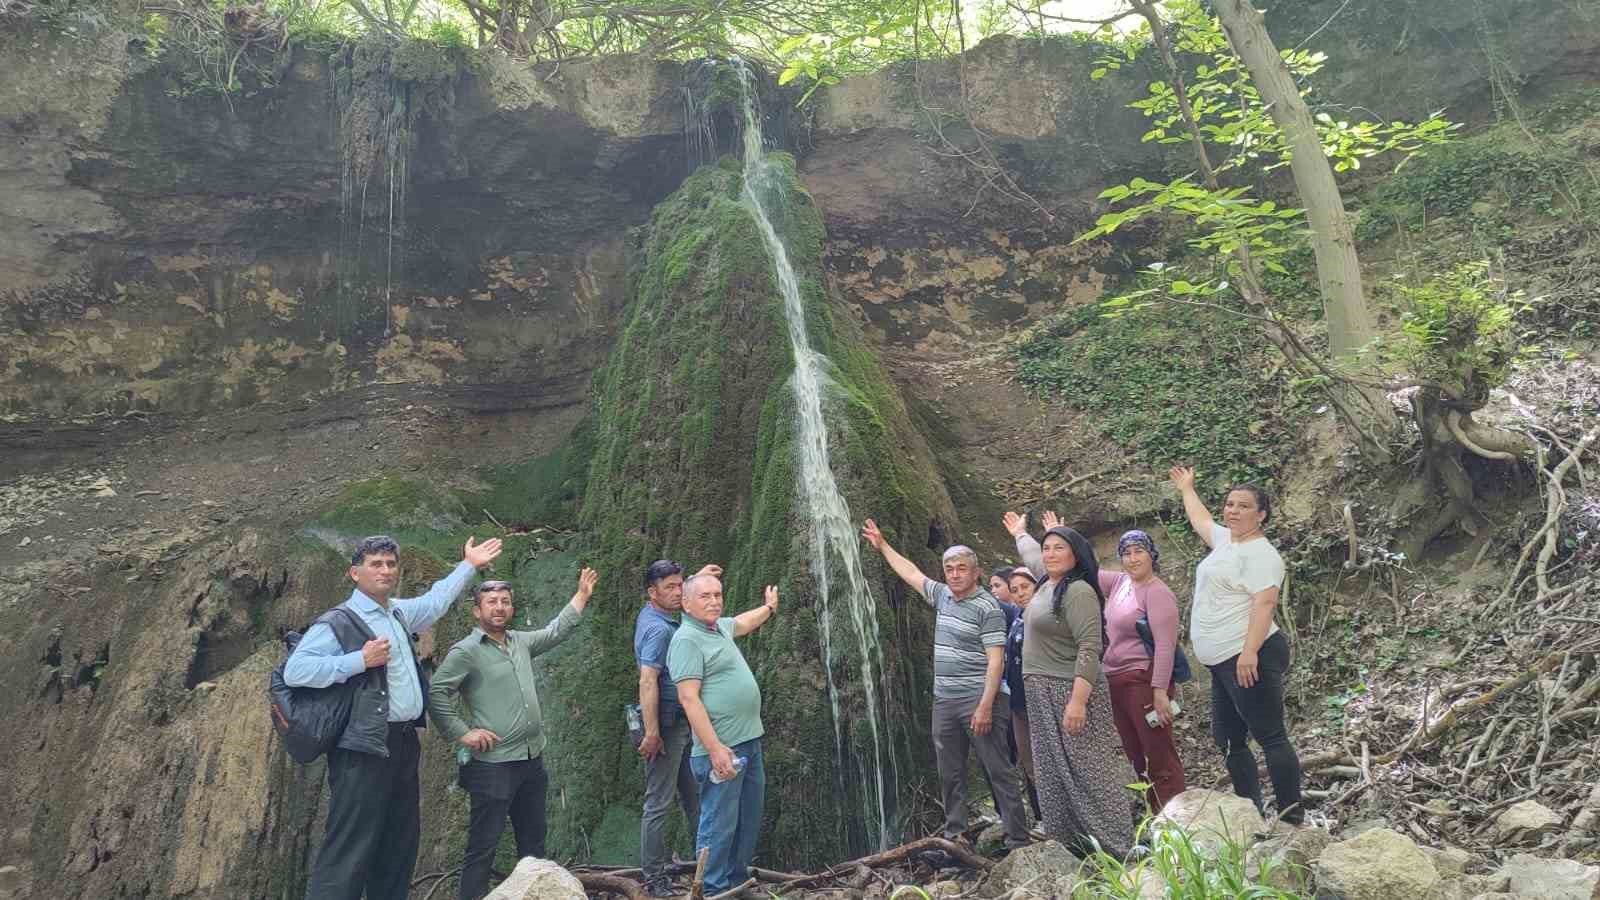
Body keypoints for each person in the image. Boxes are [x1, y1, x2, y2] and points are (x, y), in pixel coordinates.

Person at [285, 533, 503, 900]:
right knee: (350, 847)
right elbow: (297, 670)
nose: (385, 571)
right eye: (375, 564)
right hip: (362, 747)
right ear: (355, 573)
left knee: (399, 843)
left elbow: (435, 602)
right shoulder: (339, 621)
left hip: (402, 742)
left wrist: (468, 565)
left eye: (390, 564)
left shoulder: (397, 611)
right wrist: (358, 661)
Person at [861, 519, 1030, 851]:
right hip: (945, 701)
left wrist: (984, 706)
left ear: (976, 572)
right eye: (949, 568)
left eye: (961, 569)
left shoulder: (988, 607)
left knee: (998, 769)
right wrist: (882, 545)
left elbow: (996, 661)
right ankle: (956, 839)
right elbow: (911, 574)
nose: (954, 574)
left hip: (979, 700)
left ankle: (1018, 839)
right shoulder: (943, 596)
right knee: (950, 773)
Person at [429, 569, 597, 900]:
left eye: (505, 601)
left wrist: (581, 595)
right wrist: (463, 733)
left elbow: (554, 632)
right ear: (477, 611)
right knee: (482, 847)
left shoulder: (520, 641)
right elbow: (436, 692)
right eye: (491, 602)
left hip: (531, 761)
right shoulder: (467, 651)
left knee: (533, 846)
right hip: (492, 766)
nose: (500, 607)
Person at [1169, 466, 1303, 824]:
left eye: (1243, 506)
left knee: (1270, 736)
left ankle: (1292, 819)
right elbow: (1200, 520)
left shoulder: (1263, 555)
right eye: (1229, 504)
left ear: (1261, 515)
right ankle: (1251, 813)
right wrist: (1187, 488)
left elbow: (1265, 603)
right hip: (1222, 662)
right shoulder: (1228, 542)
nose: (1233, 511)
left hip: (1249, 655)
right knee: (1228, 739)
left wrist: (1249, 652)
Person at [1033, 514, 1186, 811]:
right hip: (1115, 681)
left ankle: (1175, 818)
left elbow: (1166, 646)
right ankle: (1152, 817)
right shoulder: (1119, 583)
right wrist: (1059, 537)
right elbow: (1078, 564)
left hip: (1143, 681)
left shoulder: (1158, 592)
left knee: (1159, 752)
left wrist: (1159, 694)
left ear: (1152, 555)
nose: (1132, 559)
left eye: (1139, 551)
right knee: (1133, 753)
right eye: (1126, 553)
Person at [1005, 516, 1135, 858]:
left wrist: (1078, 702)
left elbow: (1090, 648)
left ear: (1075, 555)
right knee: (1052, 771)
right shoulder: (1047, 583)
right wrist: (1020, 534)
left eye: (1058, 549)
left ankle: (1118, 846)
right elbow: (1034, 557)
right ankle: (1072, 845)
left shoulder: (1078, 592)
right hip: (1039, 693)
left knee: (1090, 768)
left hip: (1069, 690)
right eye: (1046, 549)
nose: (1048, 555)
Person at [667, 574, 780, 895]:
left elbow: (742, 623)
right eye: (705, 596)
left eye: (717, 594)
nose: (714, 601)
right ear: (686, 603)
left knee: (747, 820)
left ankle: (735, 883)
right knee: (718, 825)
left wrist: (769, 608)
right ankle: (713, 890)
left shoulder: (717, 628)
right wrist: (715, 749)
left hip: (749, 743)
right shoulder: (687, 639)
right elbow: (689, 699)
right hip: (720, 749)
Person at [635, 559, 720, 897]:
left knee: (694, 797)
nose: (677, 592)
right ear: (651, 592)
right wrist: (652, 732)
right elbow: (647, 680)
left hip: (680, 726)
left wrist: (701, 577)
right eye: (669, 587)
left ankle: (705, 867)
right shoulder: (657, 628)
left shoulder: (660, 617)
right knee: (658, 802)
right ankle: (654, 879)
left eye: (679, 585)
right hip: (666, 729)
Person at [1003, 564, 1042, 822]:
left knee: (1045, 761)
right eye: (1014, 590)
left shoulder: (1043, 616)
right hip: (1018, 702)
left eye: (1025, 587)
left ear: (1037, 586)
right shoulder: (1017, 618)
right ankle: (1041, 818)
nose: (1020, 593)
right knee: (1028, 762)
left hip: (1041, 700)